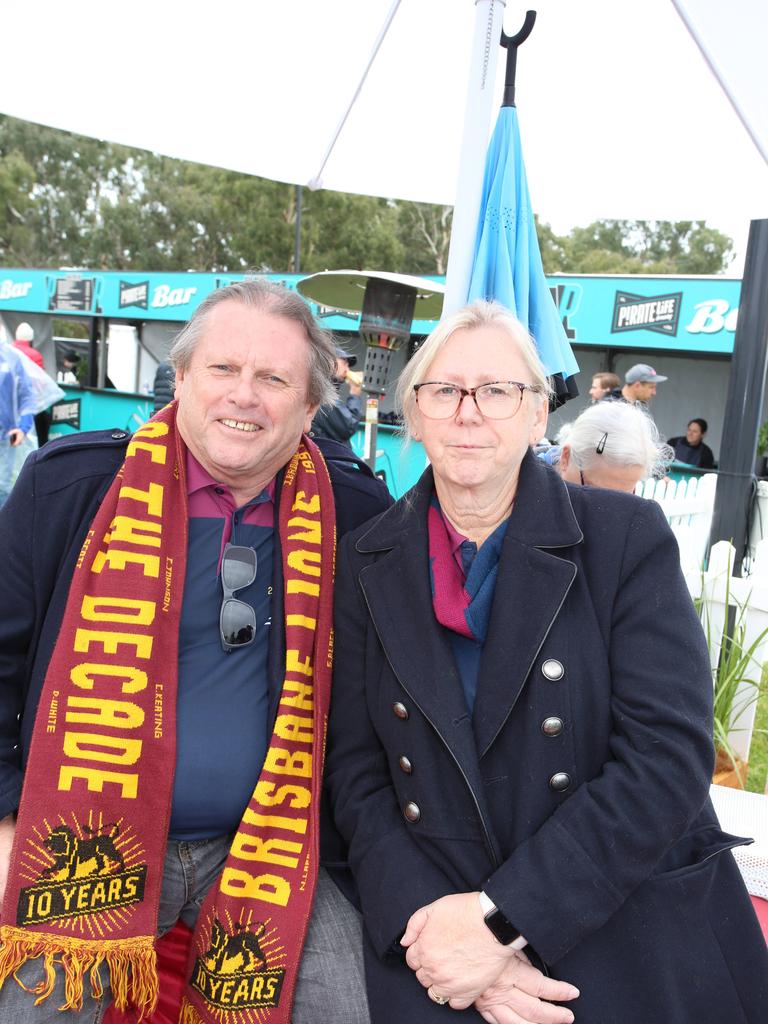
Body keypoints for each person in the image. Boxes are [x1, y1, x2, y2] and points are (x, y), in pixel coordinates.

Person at [325, 300, 768, 1024]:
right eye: (444, 390)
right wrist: (437, 931)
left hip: (612, 914)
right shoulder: (367, 558)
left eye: (499, 391)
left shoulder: (624, 538)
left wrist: (501, 922)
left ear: (539, 417)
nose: (469, 412)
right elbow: (356, 771)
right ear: (415, 410)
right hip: (439, 941)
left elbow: (666, 758)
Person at [0, 279, 391, 1022]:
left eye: (273, 378)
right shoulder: (72, 487)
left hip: (277, 840)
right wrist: (2, 819)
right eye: (223, 370)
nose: (244, 395)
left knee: (348, 1005)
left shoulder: (357, 513)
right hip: (84, 830)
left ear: (310, 408)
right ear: (180, 380)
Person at [553, 401, 672, 492]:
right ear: (566, 458)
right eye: (594, 492)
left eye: (625, 497)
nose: (607, 508)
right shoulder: (535, 495)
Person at [0, 338, 35, 508]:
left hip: (5, 434)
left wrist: (23, 427)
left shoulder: (10, 358)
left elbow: (26, 395)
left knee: (2, 486)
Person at [310, 345, 363, 446]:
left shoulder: (327, 390)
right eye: (344, 364)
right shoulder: (322, 393)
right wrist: (355, 394)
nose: (347, 370)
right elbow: (348, 427)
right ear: (330, 362)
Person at [13, 323, 54, 446]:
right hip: (31, 404)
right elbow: (40, 382)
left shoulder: (8, 352)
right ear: (31, 338)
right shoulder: (35, 355)